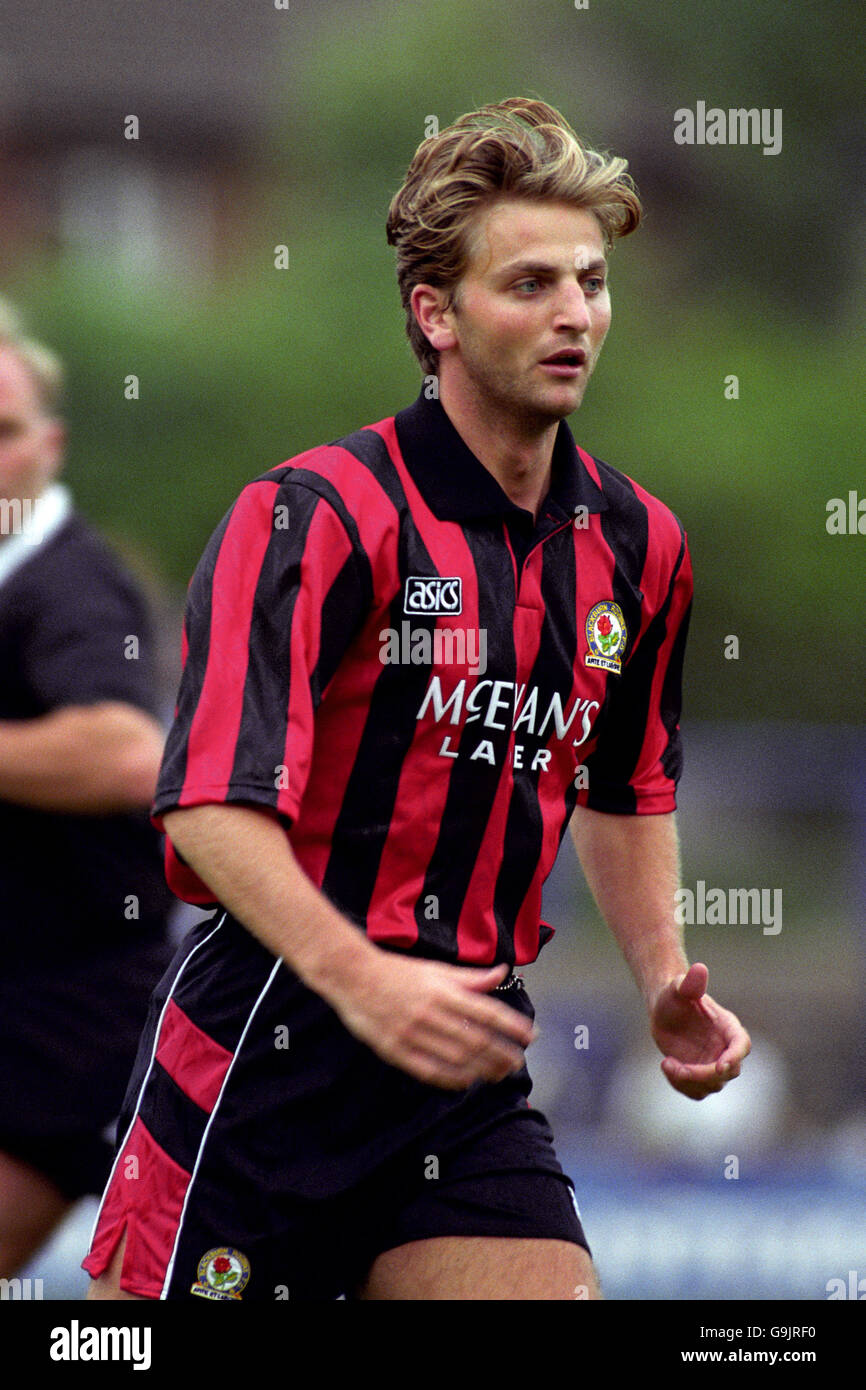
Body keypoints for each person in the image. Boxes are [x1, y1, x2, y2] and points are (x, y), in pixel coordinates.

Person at [84, 97, 750, 1303]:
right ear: (433, 314)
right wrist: (361, 975)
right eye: (530, 282)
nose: (573, 314)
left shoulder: (639, 544)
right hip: (268, 1046)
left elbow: (624, 782)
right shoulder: (315, 514)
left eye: (591, 283)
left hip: (464, 1061)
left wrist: (660, 974)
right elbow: (206, 807)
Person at [0, 302, 174, 1277]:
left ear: (49, 447)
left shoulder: (66, 585)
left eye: (6, 432)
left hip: (69, 1019)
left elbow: (122, 753)